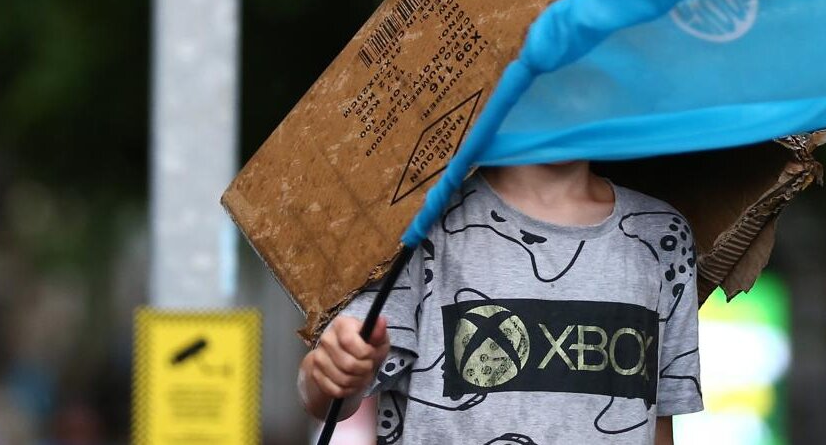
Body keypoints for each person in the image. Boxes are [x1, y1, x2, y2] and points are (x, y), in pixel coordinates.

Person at [298, 160, 703, 445]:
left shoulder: (660, 236)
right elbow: (328, 397)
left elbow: (654, 421)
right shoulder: (422, 223)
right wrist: (330, 370)